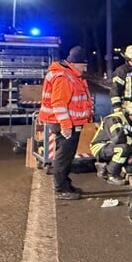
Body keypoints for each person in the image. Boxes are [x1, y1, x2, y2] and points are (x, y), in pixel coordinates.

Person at [38, 45, 94, 200]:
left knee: (66, 156)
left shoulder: (68, 74)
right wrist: (66, 126)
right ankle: (61, 188)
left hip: (66, 122)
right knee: (63, 156)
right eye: (84, 65)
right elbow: (59, 104)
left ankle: (65, 184)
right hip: (65, 123)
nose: (85, 68)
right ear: (76, 63)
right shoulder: (64, 78)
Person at [89, 101, 132, 185]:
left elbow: (131, 141)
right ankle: (110, 174)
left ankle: (109, 167)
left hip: (113, 147)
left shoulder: (130, 123)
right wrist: (128, 150)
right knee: (123, 149)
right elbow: (117, 139)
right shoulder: (114, 119)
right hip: (101, 147)